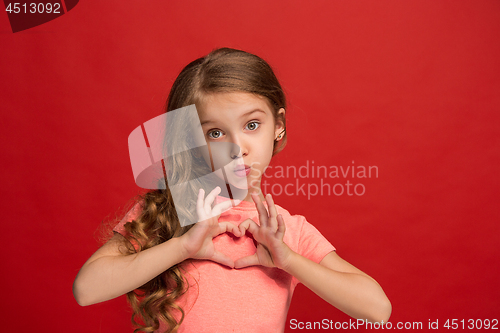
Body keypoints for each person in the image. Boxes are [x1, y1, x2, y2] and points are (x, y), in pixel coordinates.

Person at [73, 47, 391, 333]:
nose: (236, 148)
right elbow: (87, 290)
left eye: (252, 125)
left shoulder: (285, 231)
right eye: (215, 133)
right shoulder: (170, 211)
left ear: (278, 125)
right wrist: (182, 246)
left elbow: (377, 310)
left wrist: (288, 259)